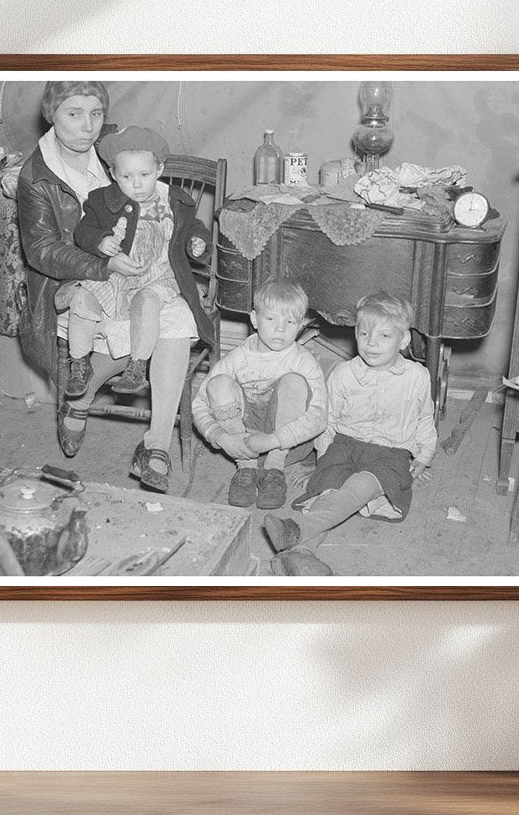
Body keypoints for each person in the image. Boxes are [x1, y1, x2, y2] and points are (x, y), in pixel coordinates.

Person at [16, 83, 215, 491]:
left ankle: (156, 445)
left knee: (173, 322)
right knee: (132, 317)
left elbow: (162, 192)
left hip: (145, 277)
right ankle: (82, 395)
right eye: (73, 114)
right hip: (73, 278)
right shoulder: (36, 177)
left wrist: (188, 238)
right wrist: (104, 263)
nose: (87, 126)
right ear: (51, 115)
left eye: (95, 113)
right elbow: (42, 251)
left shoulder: (117, 146)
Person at [262, 292, 437, 575]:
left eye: (384, 336)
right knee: (329, 490)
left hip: (389, 453)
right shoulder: (343, 374)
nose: (371, 343)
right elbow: (328, 420)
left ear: (403, 340)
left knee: (360, 486)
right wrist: (323, 463)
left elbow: (424, 418)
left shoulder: (417, 376)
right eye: (364, 333)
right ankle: (301, 556)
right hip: (343, 446)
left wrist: (423, 456)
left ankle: (297, 529)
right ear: (355, 334)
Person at [55, 126, 210, 399]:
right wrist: (100, 241)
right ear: (113, 174)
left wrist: (196, 243)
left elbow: (193, 229)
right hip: (114, 277)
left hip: (158, 276)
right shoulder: (102, 200)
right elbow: (84, 231)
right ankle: (79, 363)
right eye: (126, 176)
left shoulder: (174, 203)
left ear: (159, 170)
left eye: (144, 175)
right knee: (81, 300)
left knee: (146, 302)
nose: (136, 184)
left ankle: (137, 366)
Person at [191, 279, 327, 510]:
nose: (280, 329)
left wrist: (274, 440)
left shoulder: (303, 361)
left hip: (287, 445)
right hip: (242, 441)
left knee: (294, 382)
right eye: (271, 319)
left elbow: (319, 417)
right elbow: (199, 404)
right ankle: (246, 468)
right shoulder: (237, 357)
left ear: (301, 325)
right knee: (218, 383)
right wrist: (223, 438)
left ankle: (274, 472)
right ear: (254, 319)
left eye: (290, 321)